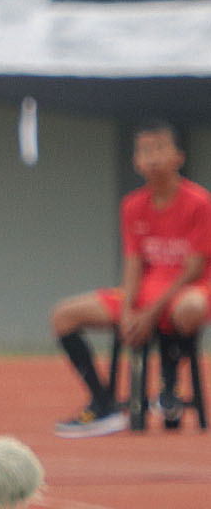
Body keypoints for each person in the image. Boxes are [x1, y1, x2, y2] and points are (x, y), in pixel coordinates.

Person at [50, 122, 211, 437]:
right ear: (136, 161)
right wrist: (126, 314)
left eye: (159, 149)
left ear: (178, 156)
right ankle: (103, 402)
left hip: (185, 292)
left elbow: (193, 269)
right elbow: (134, 264)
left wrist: (150, 314)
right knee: (63, 315)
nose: (151, 158)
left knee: (189, 308)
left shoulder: (199, 202)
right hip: (143, 297)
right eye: (144, 150)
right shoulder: (132, 205)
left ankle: (169, 385)